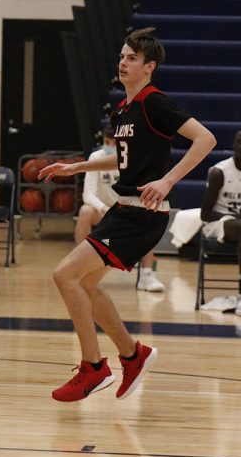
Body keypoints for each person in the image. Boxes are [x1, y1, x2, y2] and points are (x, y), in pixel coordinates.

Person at [38, 27, 216, 402]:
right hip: (124, 209)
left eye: (131, 58)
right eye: (121, 56)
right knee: (85, 284)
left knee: (64, 274)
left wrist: (167, 181)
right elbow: (123, 160)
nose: (123, 62)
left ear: (149, 67)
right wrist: (78, 168)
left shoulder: (155, 103)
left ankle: (94, 368)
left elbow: (206, 139)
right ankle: (134, 356)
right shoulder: (123, 110)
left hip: (143, 214)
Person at [75, 126, 165, 293]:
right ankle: (81, 268)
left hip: (127, 210)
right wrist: (103, 208)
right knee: (85, 211)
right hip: (103, 211)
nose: (109, 146)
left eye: (113, 143)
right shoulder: (96, 157)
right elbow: (88, 194)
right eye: (106, 142)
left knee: (149, 214)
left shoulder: (134, 160)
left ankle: (147, 275)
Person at [200, 129, 241, 314]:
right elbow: (205, 214)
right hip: (218, 224)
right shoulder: (219, 172)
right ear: (233, 145)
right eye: (239, 142)